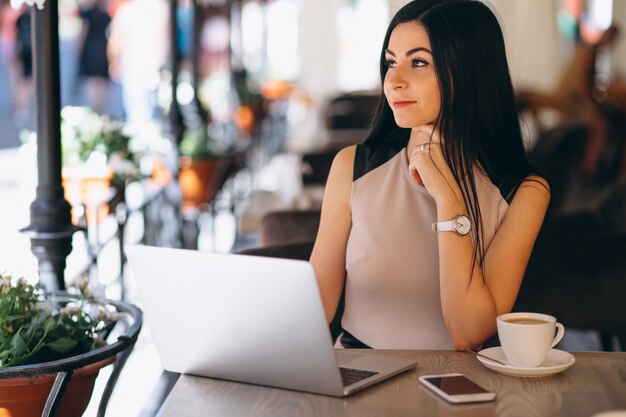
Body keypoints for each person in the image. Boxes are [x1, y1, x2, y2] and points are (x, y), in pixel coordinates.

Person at [309, 0, 551, 351]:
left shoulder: (525, 192)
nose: (394, 81)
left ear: (468, 71)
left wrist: (448, 195)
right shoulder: (352, 167)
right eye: (391, 62)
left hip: (455, 389)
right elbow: (315, 309)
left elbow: (469, 333)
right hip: (356, 380)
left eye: (418, 62)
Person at [77, 0, 112, 114]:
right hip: (101, 50)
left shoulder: (89, 14)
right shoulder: (104, 15)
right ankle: (99, 110)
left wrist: (78, 49)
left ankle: (95, 110)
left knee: (93, 83)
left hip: (91, 51)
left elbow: (83, 32)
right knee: (99, 85)